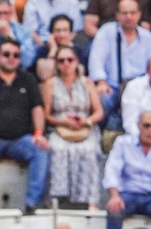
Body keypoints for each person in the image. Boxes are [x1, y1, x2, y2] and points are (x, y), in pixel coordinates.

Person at [0, 38, 49, 209]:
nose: (11, 58)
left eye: (16, 55)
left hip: (20, 139)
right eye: (6, 54)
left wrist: (38, 133)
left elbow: (37, 108)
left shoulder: (28, 79)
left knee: (41, 149)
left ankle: (32, 203)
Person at [44, 45, 106, 206]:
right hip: (60, 128)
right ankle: (56, 199)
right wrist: (62, 122)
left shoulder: (87, 82)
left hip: (85, 127)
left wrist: (87, 122)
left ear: (76, 62)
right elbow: (46, 115)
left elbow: (99, 111)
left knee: (90, 150)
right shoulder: (50, 83)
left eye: (70, 60)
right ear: (57, 64)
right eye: (61, 60)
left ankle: (90, 201)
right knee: (57, 148)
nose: (66, 63)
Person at [91, 0, 151, 123]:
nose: (129, 17)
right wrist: (101, 82)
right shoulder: (106, 31)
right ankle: (100, 132)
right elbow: (96, 59)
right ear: (117, 15)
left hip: (139, 88)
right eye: (124, 13)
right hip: (113, 86)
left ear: (139, 15)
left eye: (132, 13)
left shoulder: (148, 37)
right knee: (102, 99)